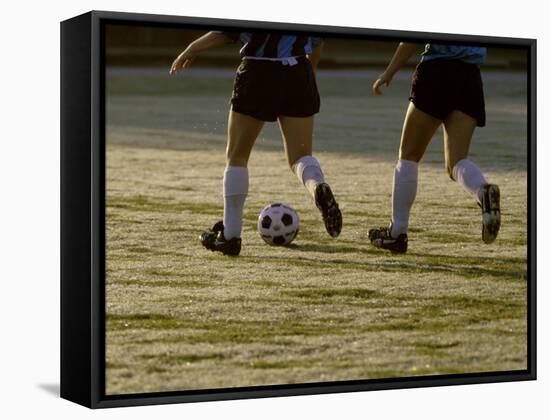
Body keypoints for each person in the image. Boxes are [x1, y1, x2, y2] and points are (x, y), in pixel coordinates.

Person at [170, 31, 342, 256]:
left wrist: (191, 47)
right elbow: (317, 41)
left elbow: (226, 32)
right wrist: (311, 73)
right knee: (300, 158)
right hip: (300, 70)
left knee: (237, 156)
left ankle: (230, 236)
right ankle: (318, 186)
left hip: (259, 70)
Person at [368, 43, 501, 254]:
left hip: (436, 71)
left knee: (408, 156)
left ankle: (397, 233)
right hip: (470, 77)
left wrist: (388, 72)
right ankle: (482, 191)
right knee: (456, 162)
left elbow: (410, 39)